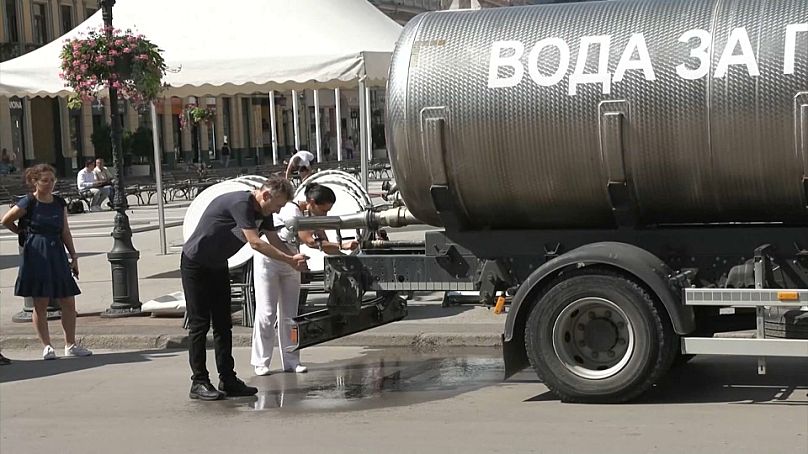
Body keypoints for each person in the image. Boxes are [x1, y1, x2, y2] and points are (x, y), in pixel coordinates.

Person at [181, 175, 308, 401]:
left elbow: (272, 239)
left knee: (223, 324)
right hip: (196, 263)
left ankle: (227, 379)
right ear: (266, 195)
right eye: (277, 205)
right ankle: (199, 382)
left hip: (218, 264)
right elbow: (256, 243)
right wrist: (288, 261)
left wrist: (292, 257)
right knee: (200, 324)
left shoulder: (264, 212)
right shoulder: (242, 204)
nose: (277, 211)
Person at [251, 183, 358, 376]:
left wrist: (344, 247)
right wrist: (340, 244)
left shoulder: (313, 217)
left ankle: (291, 360)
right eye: (323, 210)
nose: (324, 215)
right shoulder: (292, 211)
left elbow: (323, 245)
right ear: (310, 202)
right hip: (269, 260)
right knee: (267, 313)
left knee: (291, 314)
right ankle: (261, 361)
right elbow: (309, 240)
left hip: (294, 261)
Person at [0, 164, 92, 360]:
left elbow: (65, 231)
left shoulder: (59, 202)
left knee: (68, 299)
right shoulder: (29, 201)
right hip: (36, 252)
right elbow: (6, 220)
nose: (49, 184)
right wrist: (22, 233)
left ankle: (70, 344)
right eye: (45, 180)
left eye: (52, 180)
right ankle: (47, 346)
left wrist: (74, 256)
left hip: (56, 251)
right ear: (34, 181)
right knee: (40, 302)